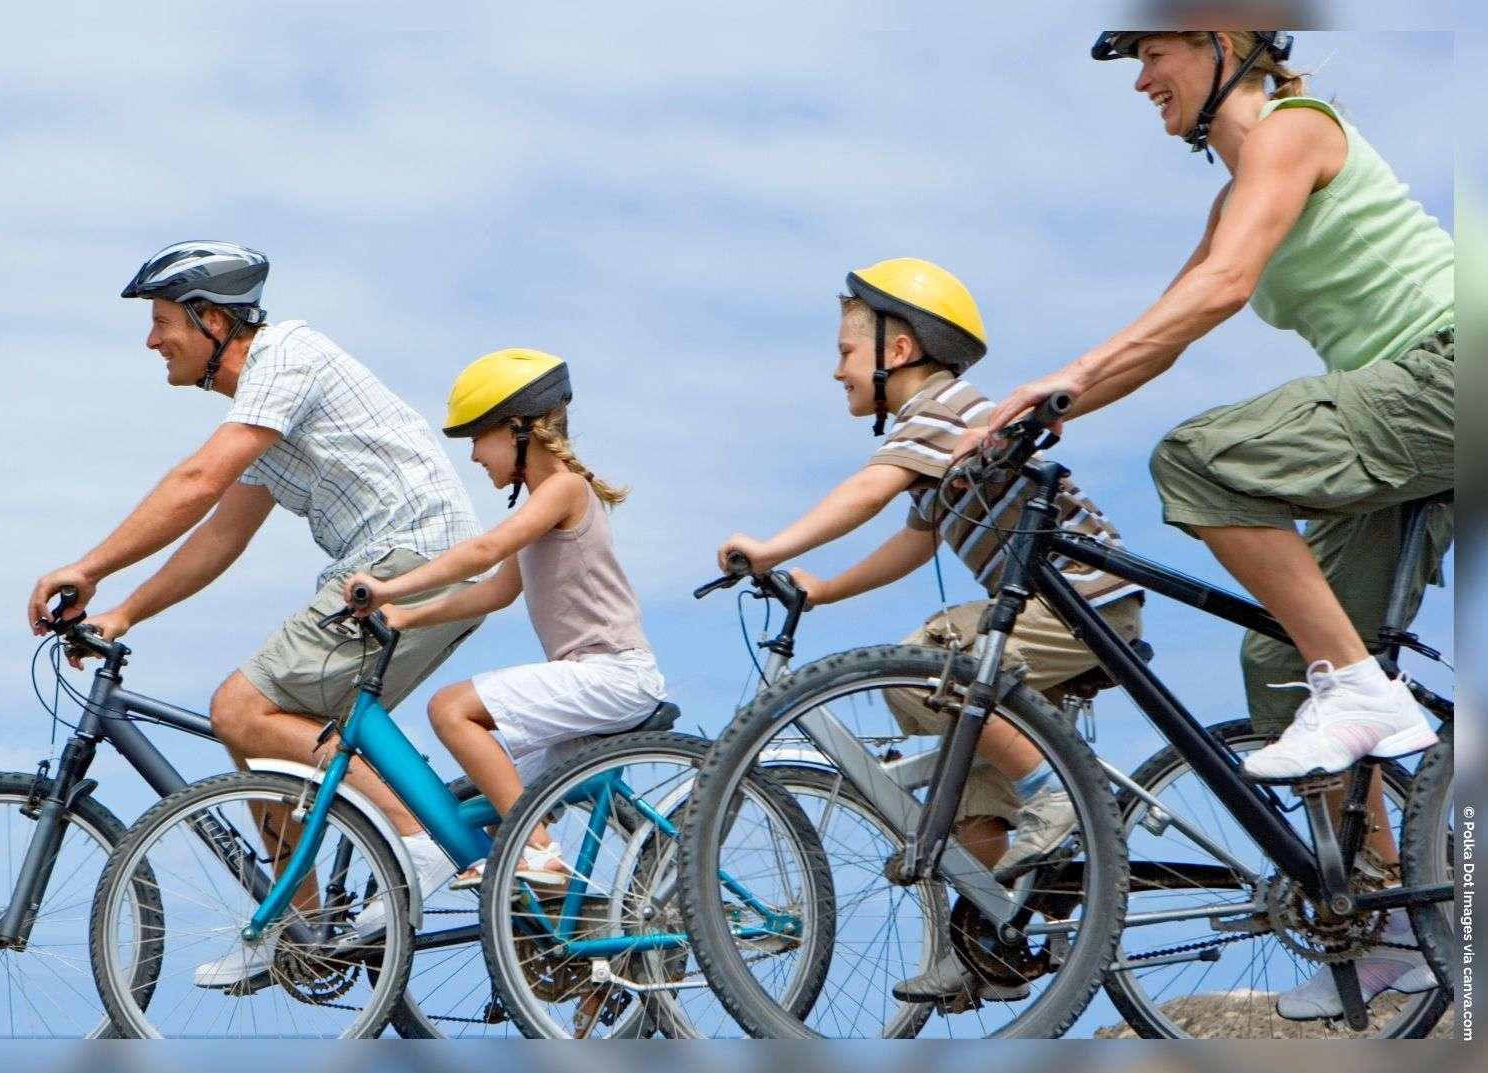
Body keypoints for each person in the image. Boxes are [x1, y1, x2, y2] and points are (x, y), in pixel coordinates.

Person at [982, 32, 1450, 1017]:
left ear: (1224, 44)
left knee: (1199, 458)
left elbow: (1224, 285)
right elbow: (1166, 330)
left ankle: (1365, 692)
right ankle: (1394, 931)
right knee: (1281, 660)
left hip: (1453, 367)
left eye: (1154, 53)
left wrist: (1059, 384)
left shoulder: (1294, 131)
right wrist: (1037, 410)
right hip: (1415, 413)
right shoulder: (1232, 190)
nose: (1142, 80)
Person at [25, 241, 483, 987]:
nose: (150, 340)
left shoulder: (286, 358)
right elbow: (222, 533)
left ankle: (417, 838)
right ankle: (300, 929)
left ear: (212, 321)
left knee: (242, 706)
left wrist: (88, 566)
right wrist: (124, 612)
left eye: (162, 320)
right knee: (265, 739)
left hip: (406, 563)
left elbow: (199, 479)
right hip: (404, 571)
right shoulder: (264, 410)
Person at [717, 258, 1146, 1007]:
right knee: (969, 779)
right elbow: (914, 540)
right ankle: (981, 938)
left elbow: (866, 489)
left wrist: (774, 546)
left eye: (844, 352)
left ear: (898, 351)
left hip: (1078, 606)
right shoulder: (941, 436)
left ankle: (1053, 798)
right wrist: (824, 588)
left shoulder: (945, 413)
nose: (834, 370)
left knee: (930, 659)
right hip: (1052, 610)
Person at [345, 348, 667, 889]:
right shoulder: (544, 504)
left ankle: (538, 851)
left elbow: (484, 551)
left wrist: (386, 587)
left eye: (477, 436)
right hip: (593, 678)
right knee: (494, 816)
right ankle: (553, 922)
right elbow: (494, 592)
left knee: (450, 709)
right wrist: (403, 615)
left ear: (519, 430)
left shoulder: (563, 489)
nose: (473, 455)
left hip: (611, 674)